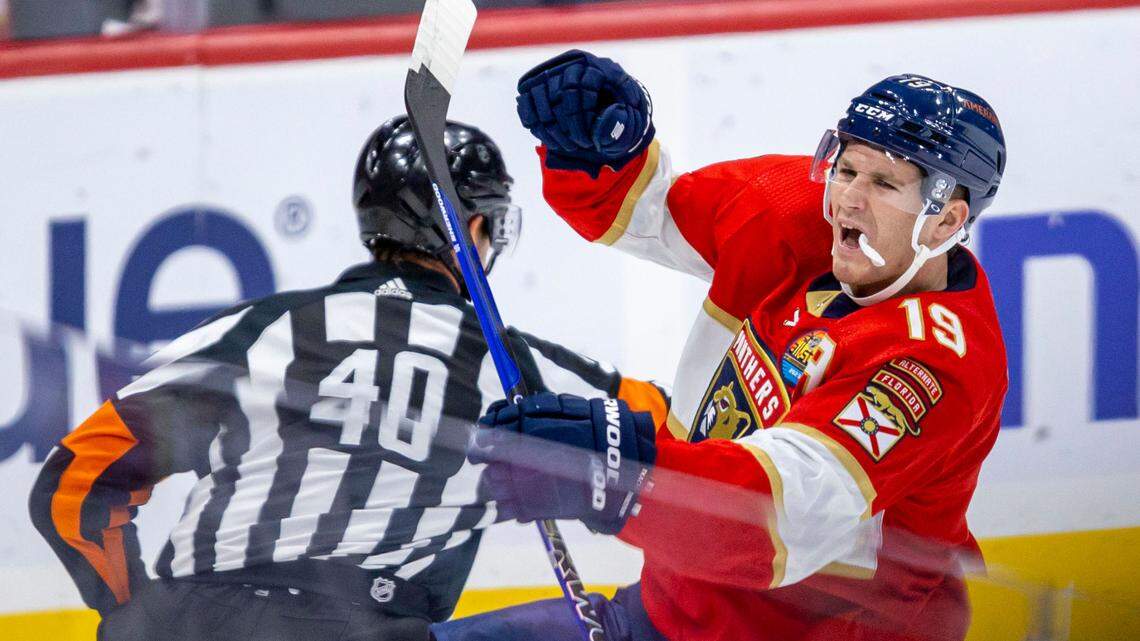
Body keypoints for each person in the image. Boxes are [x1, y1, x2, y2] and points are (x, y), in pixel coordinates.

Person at [433, 51, 1007, 641]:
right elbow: (646, 210)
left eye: (884, 183)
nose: (848, 200)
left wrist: (618, 469)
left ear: (945, 221)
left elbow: (776, 518)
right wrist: (599, 141)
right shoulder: (799, 214)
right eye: (846, 169)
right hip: (669, 613)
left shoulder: (933, 365)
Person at [28, 114, 668, 641]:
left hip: (185, 621)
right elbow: (668, 434)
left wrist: (136, 614)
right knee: (632, 626)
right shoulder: (505, 364)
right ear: (474, 228)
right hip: (359, 627)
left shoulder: (254, 331)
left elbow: (73, 483)